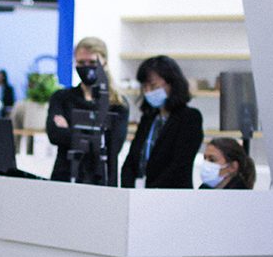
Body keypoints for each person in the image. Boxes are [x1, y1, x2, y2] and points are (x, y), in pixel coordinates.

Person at [45, 37, 128, 185]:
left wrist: (71, 131)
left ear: (105, 63)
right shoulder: (62, 98)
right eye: (81, 63)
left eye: (92, 63)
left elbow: (113, 146)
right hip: (64, 177)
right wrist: (95, 135)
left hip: (102, 181)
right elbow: (54, 135)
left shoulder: (118, 104)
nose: (86, 67)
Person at [120, 55, 203, 189]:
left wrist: (151, 191)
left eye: (153, 86)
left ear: (172, 83)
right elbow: (132, 159)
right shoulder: (148, 118)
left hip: (171, 196)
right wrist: (128, 187)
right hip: (139, 194)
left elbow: (179, 165)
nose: (147, 91)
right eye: (144, 87)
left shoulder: (190, 118)